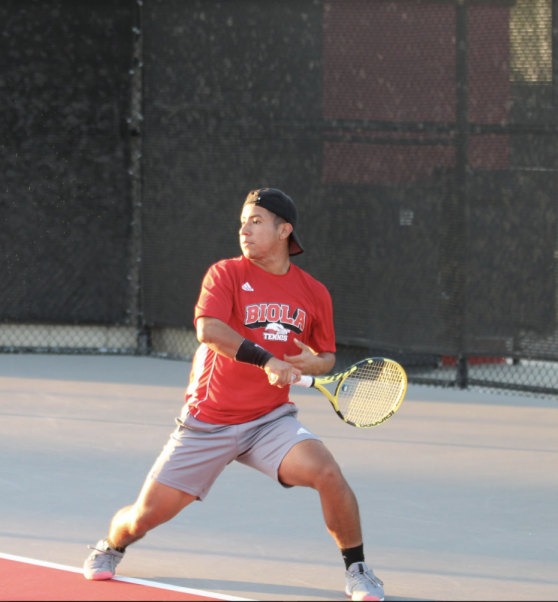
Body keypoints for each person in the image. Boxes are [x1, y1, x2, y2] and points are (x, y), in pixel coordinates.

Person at [83, 189, 385, 601]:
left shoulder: (314, 293)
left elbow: (326, 356)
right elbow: (209, 331)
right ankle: (110, 546)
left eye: (256, 220)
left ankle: (359, 570)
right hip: (208, 422)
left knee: (327, 473)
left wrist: (308, 365)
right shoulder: (225, 274)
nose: (244, 228)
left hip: (269, 421)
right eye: (243, 221)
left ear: (284, 230)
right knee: (142, 517)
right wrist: (267, 360)